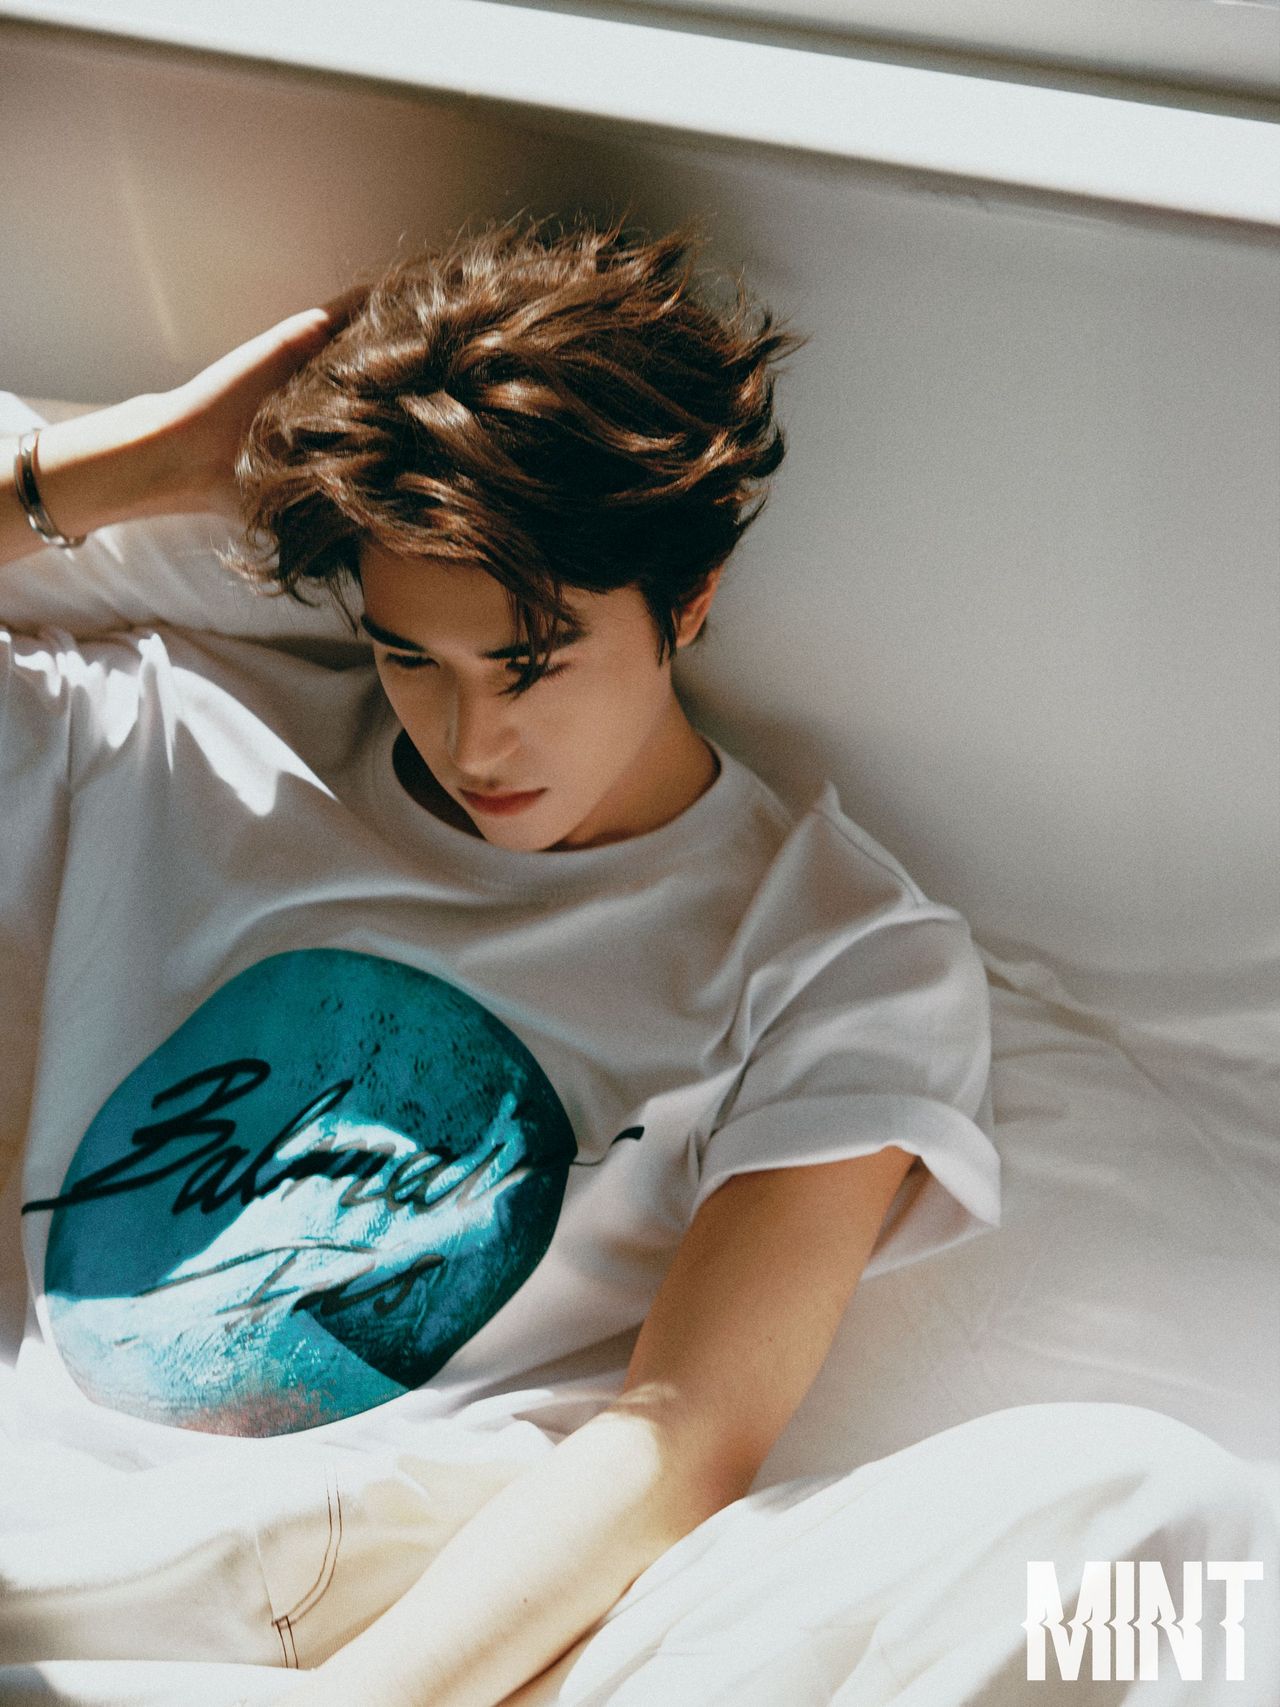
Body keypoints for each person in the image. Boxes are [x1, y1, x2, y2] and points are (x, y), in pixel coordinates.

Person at [0, 213, 1001, 1706]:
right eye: (413, 656)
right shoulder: (180, 738)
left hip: (320, 1610)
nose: (477, 743)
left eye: (533, 667)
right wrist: (144, 464)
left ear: (689, 600)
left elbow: (680, 1437)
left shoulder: (838, 958)